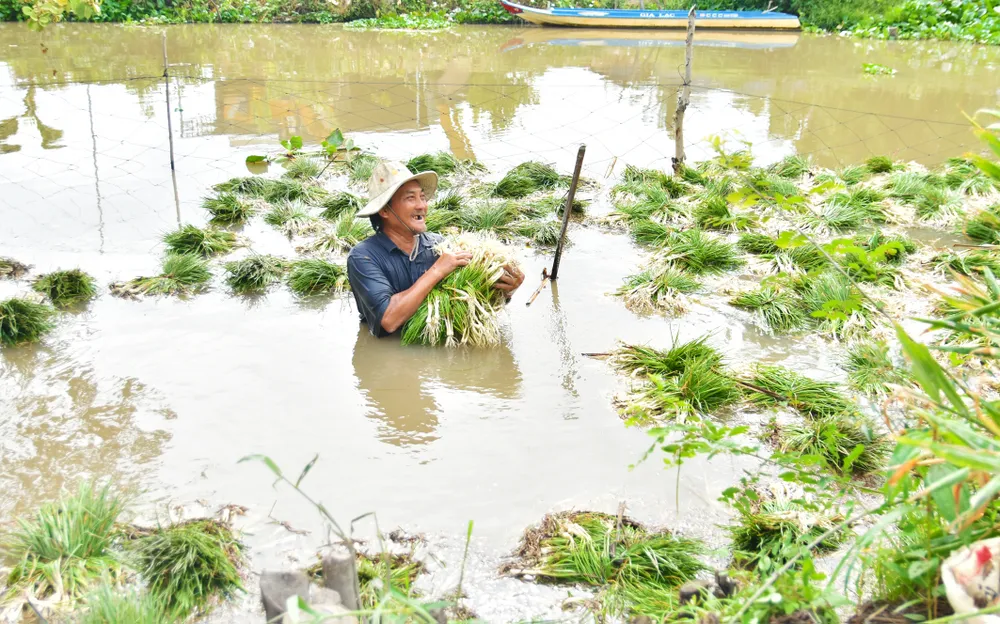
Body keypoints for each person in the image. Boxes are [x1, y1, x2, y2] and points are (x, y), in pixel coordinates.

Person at [347, 160, 525, 338]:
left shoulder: (440, 246)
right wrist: (437, 270)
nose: (422, 206)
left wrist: (506, 289)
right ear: (385, 211)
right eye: (410, 198)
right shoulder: (363, 257)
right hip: (390, 355)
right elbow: (389, 320)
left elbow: (474, 303)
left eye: (422, 197)